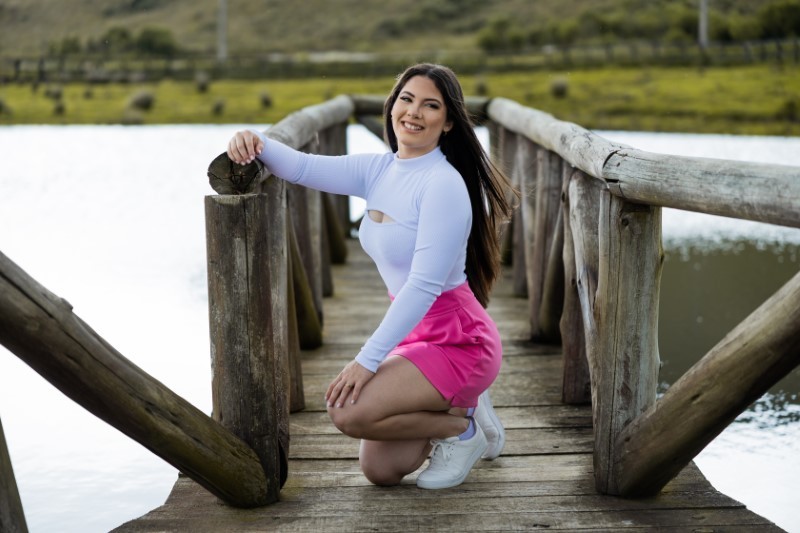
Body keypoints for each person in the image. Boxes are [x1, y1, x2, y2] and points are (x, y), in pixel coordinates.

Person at [227, 63, 515, 489]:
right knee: (380, 471)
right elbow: (302, 167)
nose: (413, 112)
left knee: (347, 411)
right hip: (415, 337)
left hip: (459, 342)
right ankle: (461, 408)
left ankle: (462, 430)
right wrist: (254, 140)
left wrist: (367, 360)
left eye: (430, 105)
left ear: (448, 122)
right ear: (392, 106)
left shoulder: (443, 185)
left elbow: (423, 286)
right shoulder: (379, 170)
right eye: (406, 99)